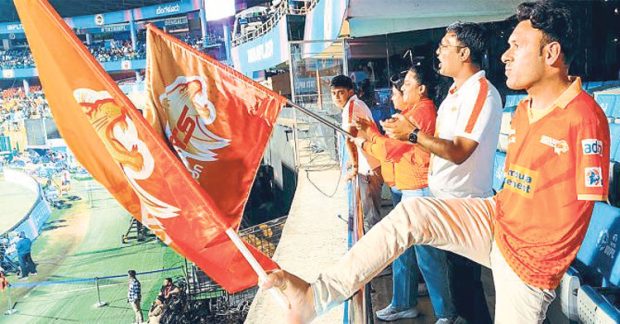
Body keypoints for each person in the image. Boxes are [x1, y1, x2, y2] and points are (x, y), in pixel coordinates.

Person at [262, 1, 610, 323]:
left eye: (517, 47)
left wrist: (540, 262)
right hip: (494, 219)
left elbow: (587, 207)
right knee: (412, 216)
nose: (505, 56)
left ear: (551, 54)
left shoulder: (584, 118)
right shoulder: (521, 110)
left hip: (529, 266)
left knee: (467, 296)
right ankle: (314, 296)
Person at [382, 20, 501, 324]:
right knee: (459, 289)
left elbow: (459, 151)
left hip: (464, 205)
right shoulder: (455, 93)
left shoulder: (481, 93)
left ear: (464, 53)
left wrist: (412, 135)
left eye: (445, 46)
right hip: (445, 200)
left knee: (467, 291)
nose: (438, 52)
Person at [353, 66, 456, 322]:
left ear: (421, 89)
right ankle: (404, 303)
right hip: (411, 191)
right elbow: (393, 147)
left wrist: (366, 141)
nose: (401, 90)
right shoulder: (413, 113)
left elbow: (391, 150)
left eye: (407, 84)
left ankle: (446, 313)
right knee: (406, 252)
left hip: (419, 192)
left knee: (428, 257)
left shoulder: (421, 114)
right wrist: (372, 134)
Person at [330, 75, 383, 232]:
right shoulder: (354, 104)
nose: (337, 97)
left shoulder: (352, 106)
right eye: (333, 93)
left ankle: (377, 253)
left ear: (350, 91)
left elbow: (350, 138)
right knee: (370, 215)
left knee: (371, 218)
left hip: (368, 168)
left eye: (340, 92)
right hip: (370, 164)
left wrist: (354, 167)